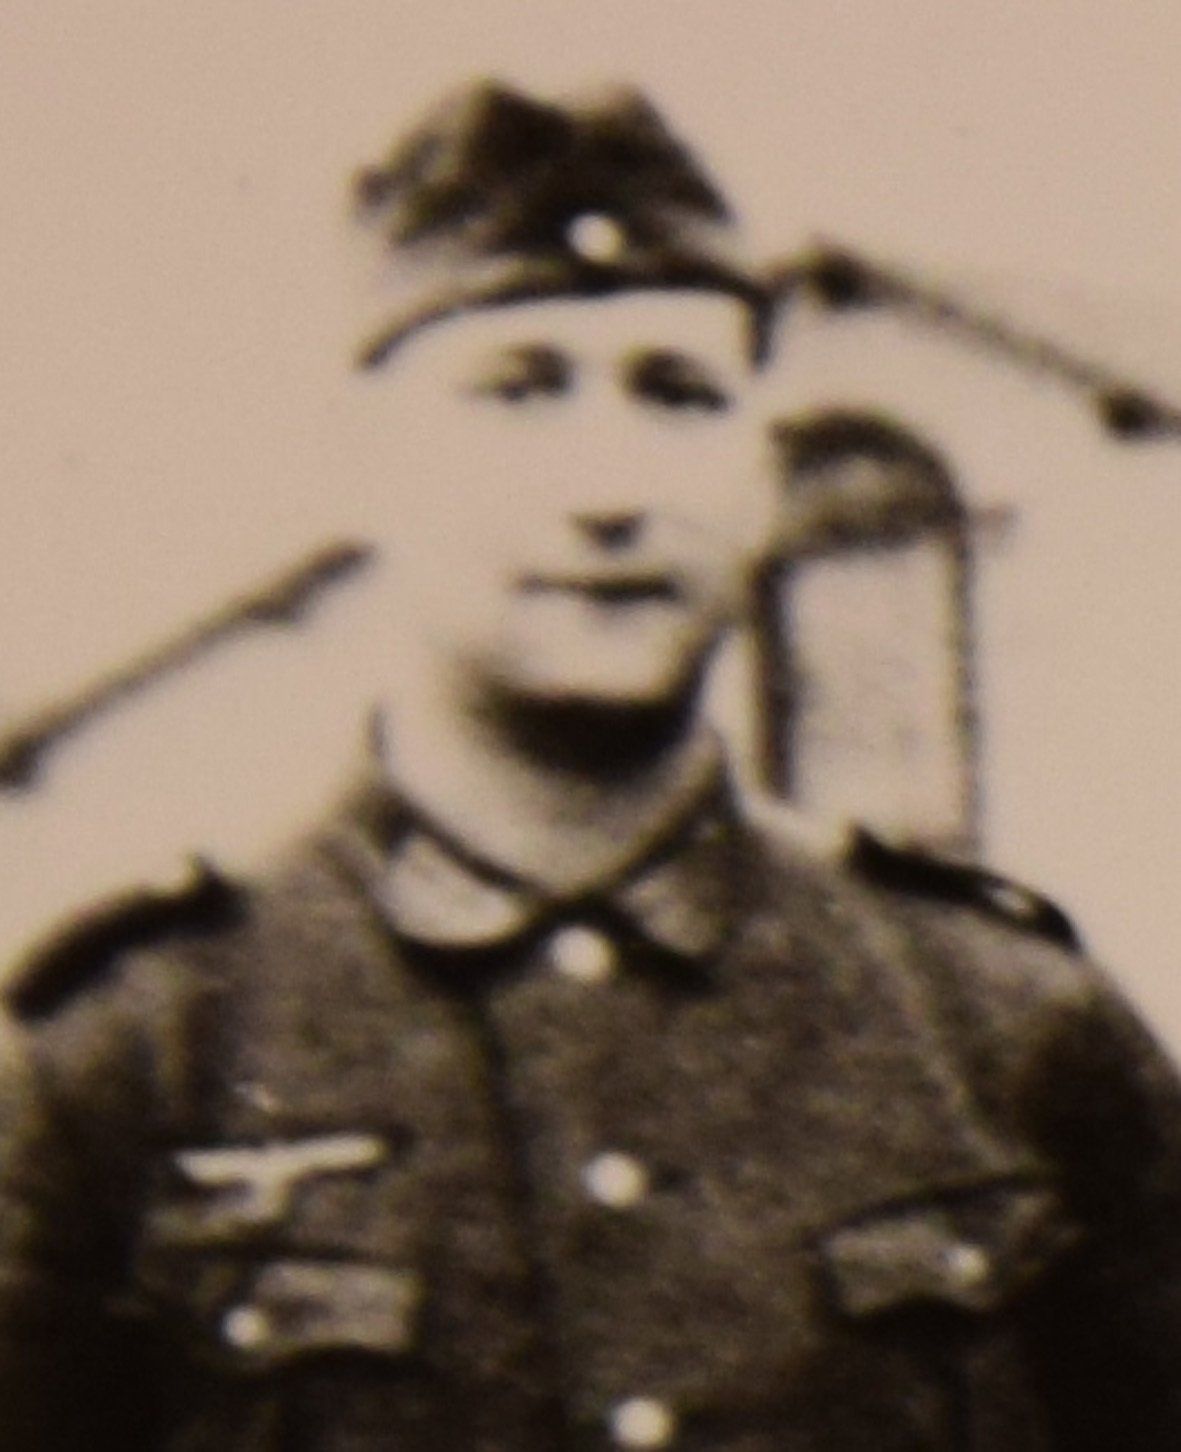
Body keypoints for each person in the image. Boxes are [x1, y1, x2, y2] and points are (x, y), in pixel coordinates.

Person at [1, 79, 1180, 1452]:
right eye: (519, 391)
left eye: (679, 395)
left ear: (761, 473)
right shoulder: (129, 1060)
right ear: (359, 465)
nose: (609, 488)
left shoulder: (1011, 1031)